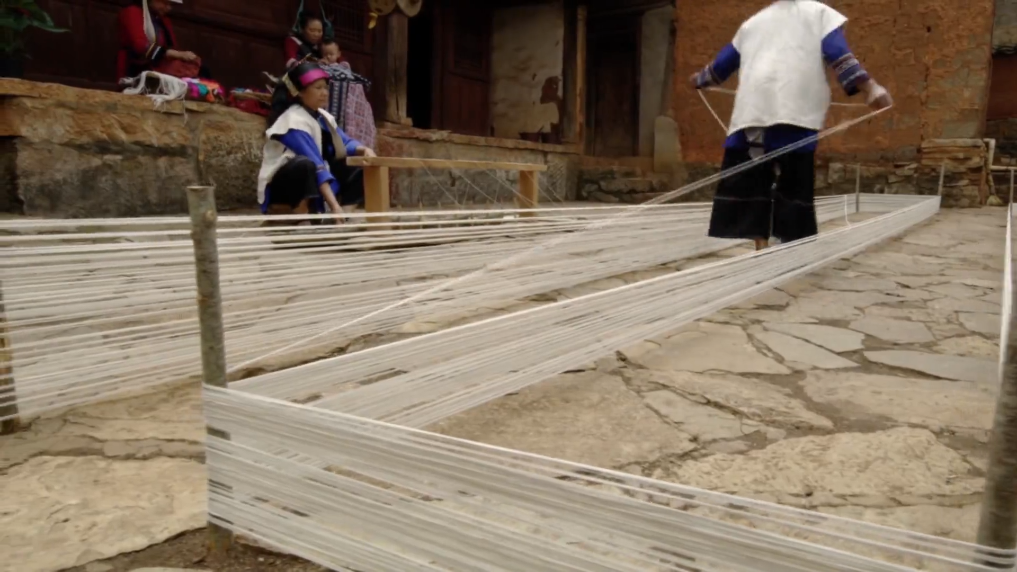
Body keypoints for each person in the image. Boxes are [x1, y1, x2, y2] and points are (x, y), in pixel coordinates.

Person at [691, 0, 892, 251]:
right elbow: (839, 54)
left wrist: (700, 79)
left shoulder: (751, 24)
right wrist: (871, 88)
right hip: (793, 112)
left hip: (751, 115)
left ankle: (761, 248)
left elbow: (719, 68)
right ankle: (787, 248)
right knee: (793, 184)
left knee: (756, 182)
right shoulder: (819, 13)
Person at [258, 62, 377, 221]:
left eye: (326, 88)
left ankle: (344, 216)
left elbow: (343, 143)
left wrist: (364, 150)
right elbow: (316, 164)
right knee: (305, 165)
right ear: (301, 92)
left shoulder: (323, 117)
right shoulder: (293, 122)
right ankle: (300, 215)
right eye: (318, 88)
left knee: (358, 166)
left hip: (316, 176)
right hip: (287, 187)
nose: (324, 93)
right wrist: (333, 205)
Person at [116, 0, 210, 81]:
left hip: (158, 67)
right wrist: (174, 54)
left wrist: (186, 57)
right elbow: (139, 46)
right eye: (165, 3)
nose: (168, 8)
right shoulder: (132, 12)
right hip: (135, 67)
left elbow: (172, 46)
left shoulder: (163, 20)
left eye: (170, 5)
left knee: (202, 71)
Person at [319, 39, 377, 150]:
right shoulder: (320, 68)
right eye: (325, 54)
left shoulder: (345, 69)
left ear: (338, 54)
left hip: (343, 108)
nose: (328, 57)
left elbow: (355, 91)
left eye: (331, 54)